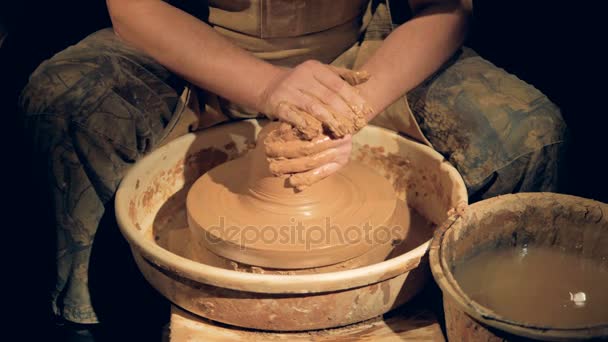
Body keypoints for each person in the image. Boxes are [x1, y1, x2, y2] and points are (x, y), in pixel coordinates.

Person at [19, 0, 567, 336]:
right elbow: (134, 7)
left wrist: (352, 105)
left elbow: (445, 7)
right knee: (66, 101)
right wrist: (265, 86)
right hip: (195, 51)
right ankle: (94, 318)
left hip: (360, 59)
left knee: (528, 134)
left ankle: (482, 322)